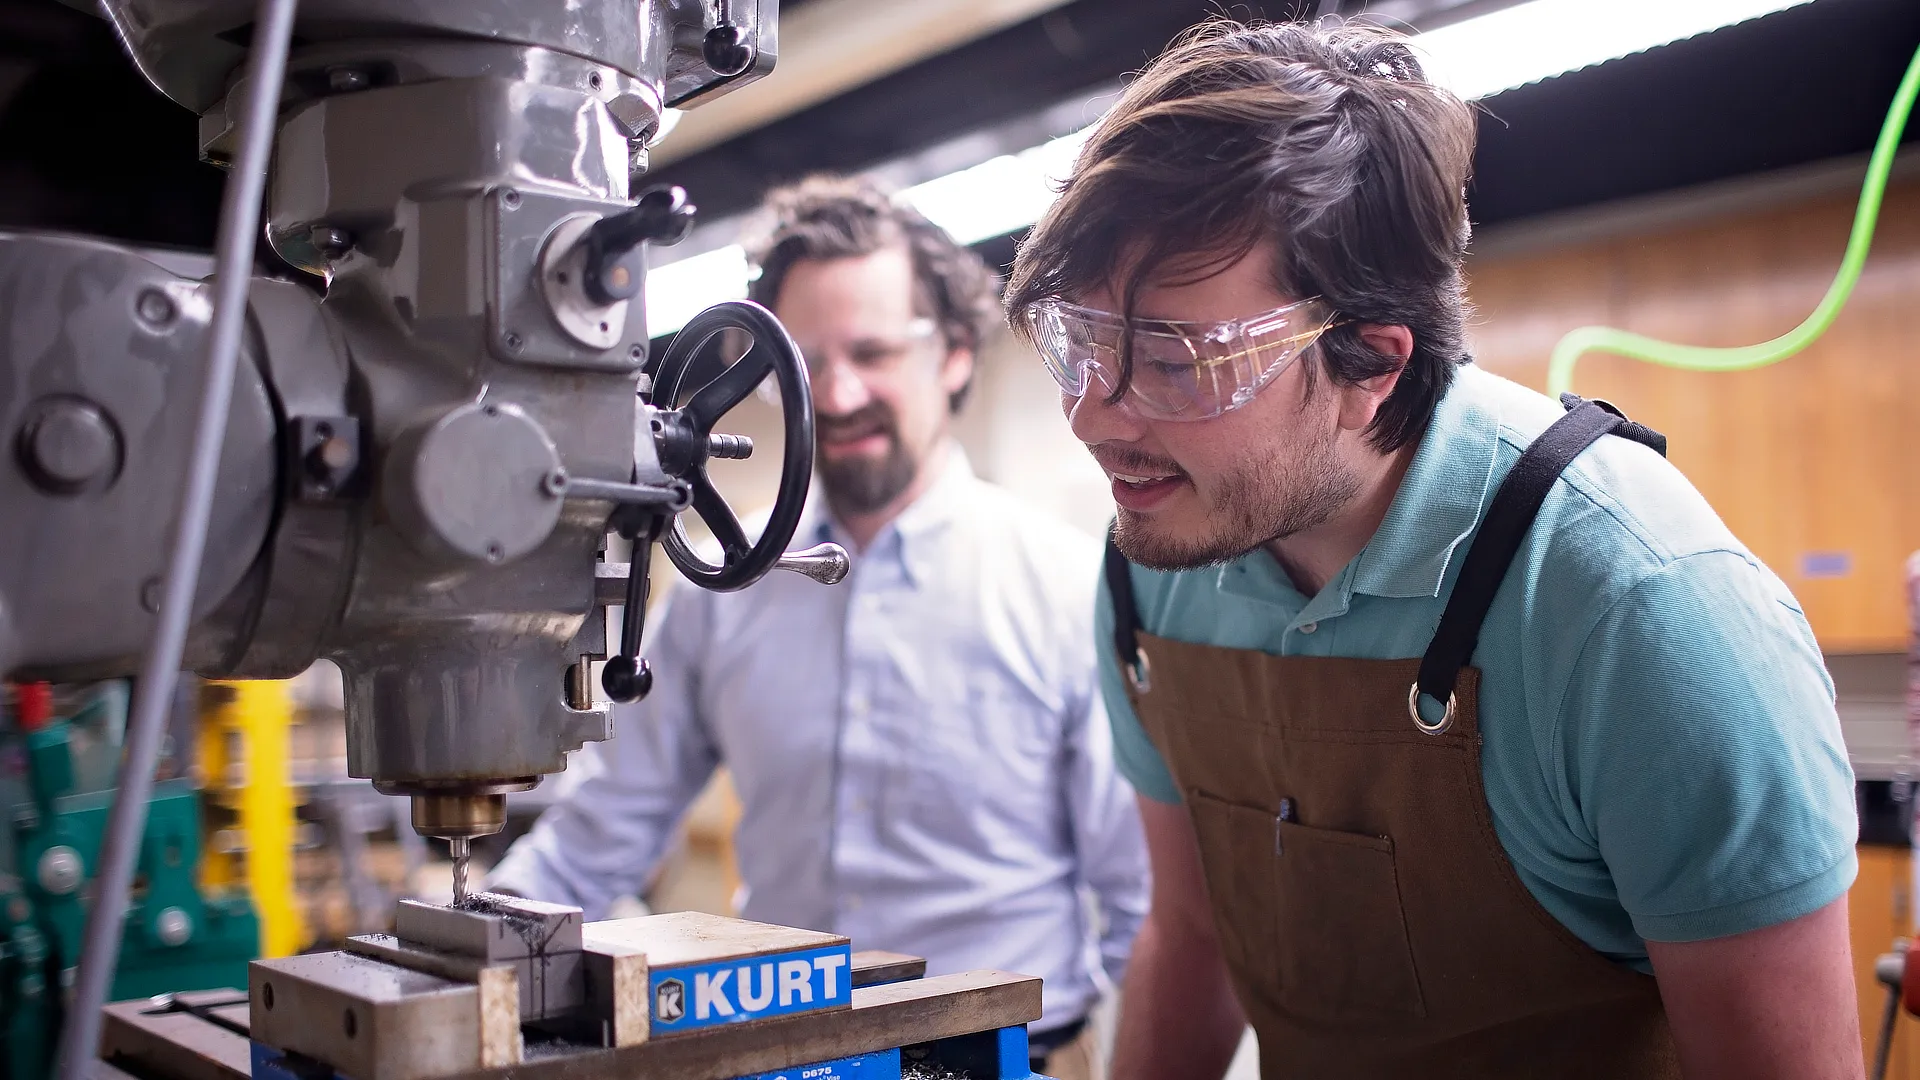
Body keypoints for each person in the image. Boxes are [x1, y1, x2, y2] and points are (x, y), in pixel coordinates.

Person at [1004, 19, 1861, 1080]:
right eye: (1079, 341)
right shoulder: (1156, 564)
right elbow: (1193, 936)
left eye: (1177, 362)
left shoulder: (1644, 615)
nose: (1091, 418)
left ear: (1372, 362)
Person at [491, 175, 1147, 1080]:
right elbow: (608, 822)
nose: (836, 396)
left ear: (955, 352)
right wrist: (479, 934)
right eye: (803, 361)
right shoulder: (727, 591)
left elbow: (1143, 904)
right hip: (784, 1060)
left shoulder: (1067, 588)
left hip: (1011, 1059)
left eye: (872, 352)